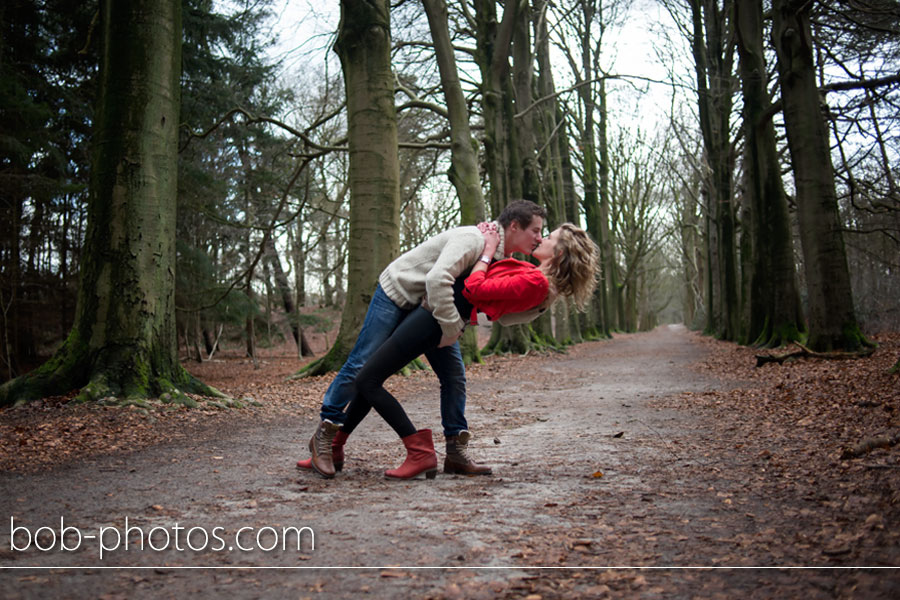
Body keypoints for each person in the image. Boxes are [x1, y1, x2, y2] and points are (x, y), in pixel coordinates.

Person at [297, 200, 548, 478]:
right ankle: (326, 436)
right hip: (399, 294)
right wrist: (453, 327)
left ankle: (455, 452)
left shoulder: (497, 254)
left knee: (453, 376)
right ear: (515, 226)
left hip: (429, 310)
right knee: (364, 364)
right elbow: (437, 279)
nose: (539, 238)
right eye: (535, 231)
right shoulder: (473, 239)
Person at [331, 222, 600, 479]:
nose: (542, 238)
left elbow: (476, 288)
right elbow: (496, 293)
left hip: (434, 318)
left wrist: (485, 252)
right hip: (442, 314)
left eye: (549, 237)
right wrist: (490, 244)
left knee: (368, 379)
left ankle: (419, 452)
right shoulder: (537, 278)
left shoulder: (538, 283)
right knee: (435, 378)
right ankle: (339, 447)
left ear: (560, 252)